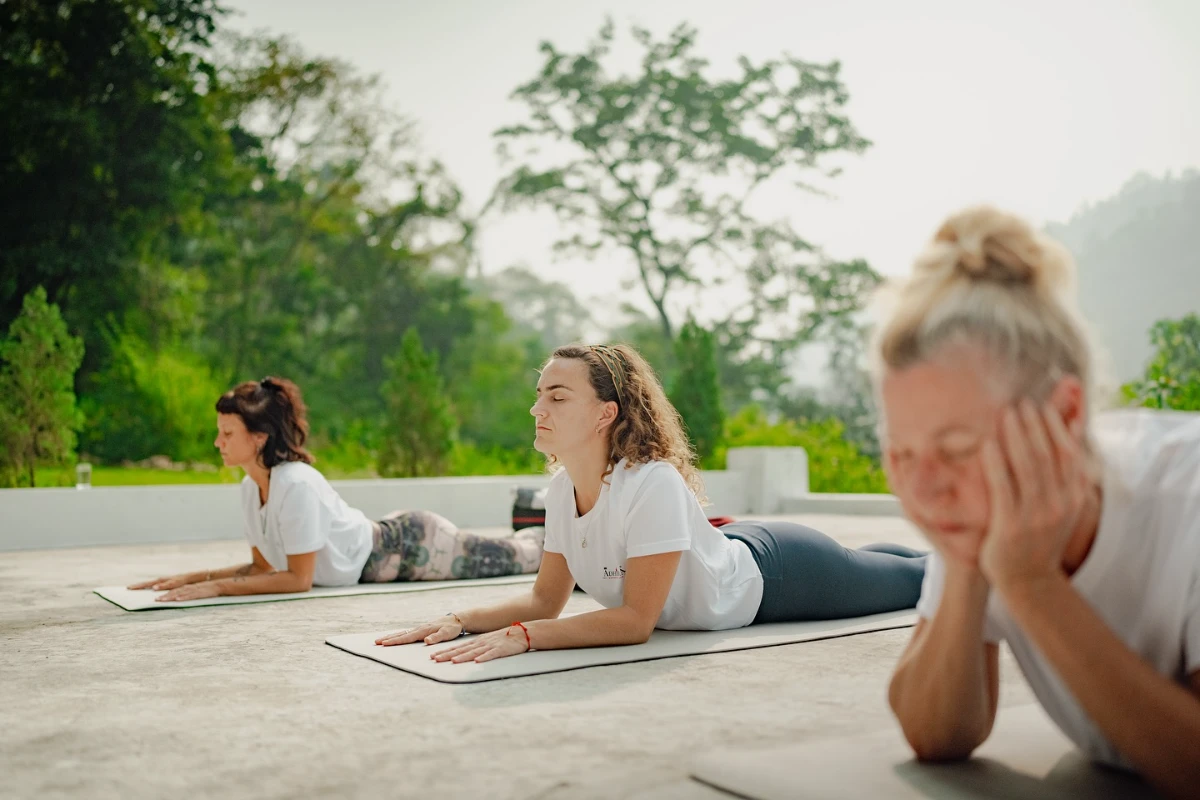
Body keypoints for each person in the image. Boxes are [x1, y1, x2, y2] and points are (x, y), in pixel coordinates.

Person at [877, 207, 1200, 798]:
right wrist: (970, 567)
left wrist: (1030, 583)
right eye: (902, 454)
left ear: (1067, 416)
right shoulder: (981, 512)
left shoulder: (1188, 502)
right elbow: (937, 735)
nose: (925, 489)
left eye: (956, 448)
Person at [376, 343, 926, 661]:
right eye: (538, 393)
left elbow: (636, 620)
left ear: (605, 413)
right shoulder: (563, 491)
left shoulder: (652, 481)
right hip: (731, 547)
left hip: (780, 575)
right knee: (889, 564)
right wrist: (458, 618)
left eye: (557, 395)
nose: (536, 408)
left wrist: (525, 639)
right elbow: (547, 600)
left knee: (916, 581)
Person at [128, 377, 543, 602]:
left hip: (410, 547)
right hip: (391, 550)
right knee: (518, 552)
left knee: (522, 557)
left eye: (226, 433)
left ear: (257, 438)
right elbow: (260, 569)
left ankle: (560, 529)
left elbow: (297, 580)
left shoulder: (295, 483)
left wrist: (215, 588)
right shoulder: (251, 488)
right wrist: (187, 579)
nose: (217, 443)